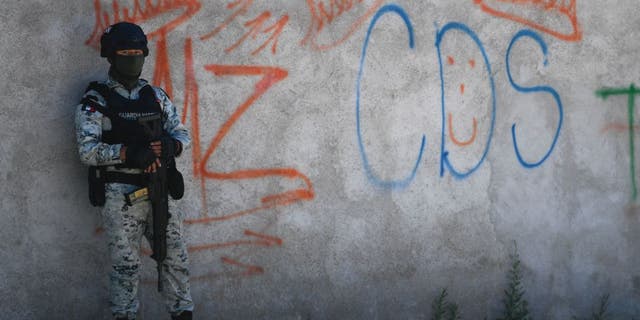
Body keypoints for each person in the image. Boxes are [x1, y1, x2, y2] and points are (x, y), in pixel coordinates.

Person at [74, 22, 194, 320]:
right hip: (122, 197)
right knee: (125, 267)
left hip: (161, 190)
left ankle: (183, 314)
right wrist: (127, 153)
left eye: (138, 53)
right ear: (111, 56)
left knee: (174, 260)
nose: (133, 58)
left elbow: (182, 134)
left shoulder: (156, 96)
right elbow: (87, 151)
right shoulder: (96, 101)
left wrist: (170, 147)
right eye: (125, 53)